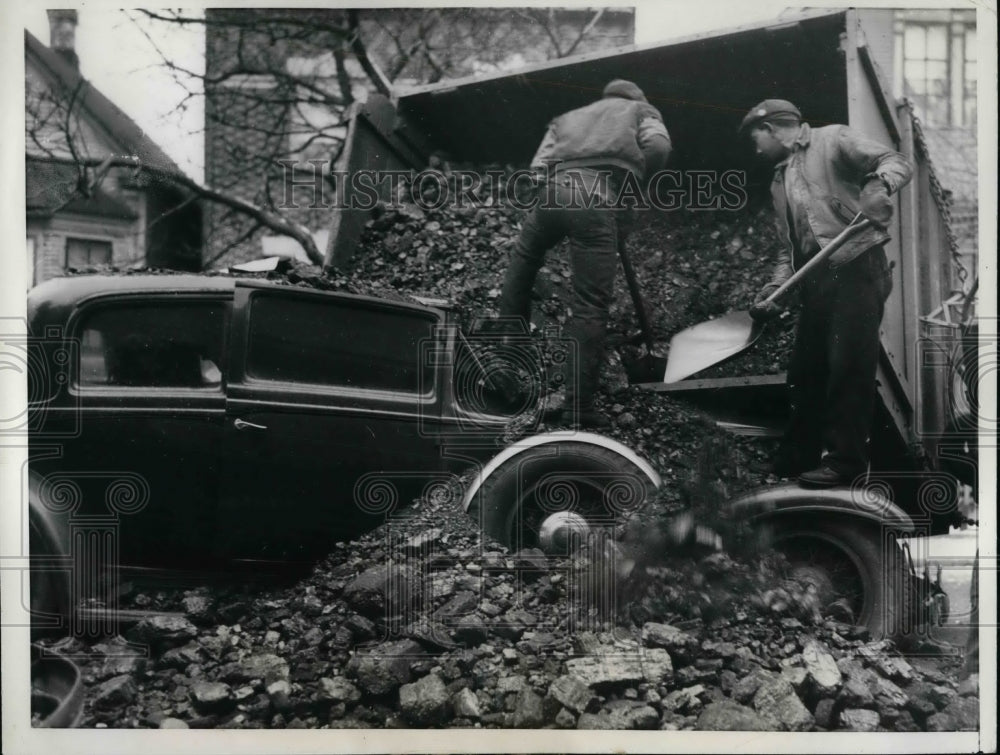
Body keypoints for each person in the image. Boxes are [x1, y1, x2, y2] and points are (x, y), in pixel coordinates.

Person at [740, 99, 913, 488]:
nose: (755, 149)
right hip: (816, 280)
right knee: (804, 373)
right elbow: (790, 252)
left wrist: (877, 184)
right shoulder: (778, 179)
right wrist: (774, 291)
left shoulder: (832, 139)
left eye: (756, 139)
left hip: (857, 265)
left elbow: (895, 160)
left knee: (847, 367)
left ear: (772, 129)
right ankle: (796, 458)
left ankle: (845, 463)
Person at [496, 79, 671, 429]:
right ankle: (580, 408)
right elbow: (658, 146)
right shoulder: (639, 110)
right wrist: (629, 182)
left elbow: (538, 165)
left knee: (524, 261)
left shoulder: (568, 117)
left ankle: (505, 352)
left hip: (553, 194)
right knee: (590, 304)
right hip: (595, 196)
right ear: (637, 97)